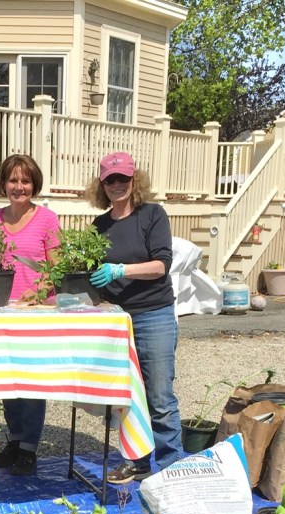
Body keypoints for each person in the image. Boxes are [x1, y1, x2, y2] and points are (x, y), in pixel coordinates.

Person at [87, 151, 183, 484]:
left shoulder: (152, 215)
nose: (117, 184)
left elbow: (161, 265)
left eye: (123, 178)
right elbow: (90, 273)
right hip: (117, 320)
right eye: (109, 180)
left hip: (154, 315)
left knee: (159, 396)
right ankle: (138, 463)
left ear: (134, 179)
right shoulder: (99, 227)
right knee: (127, 396)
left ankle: (171, 468)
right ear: (101, 185)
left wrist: (121, 270)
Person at [0, 154, 60, 476]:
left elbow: (56, 267)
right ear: (3, 184)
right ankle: (14, 440)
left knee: (31, 381)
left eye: (26, 181)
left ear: (34, 185)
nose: (19, 186)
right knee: (7, 380)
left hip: (35, 314)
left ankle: (29, 448)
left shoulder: (47, 219)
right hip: (2, 312)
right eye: (13, 180)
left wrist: (37, 293)